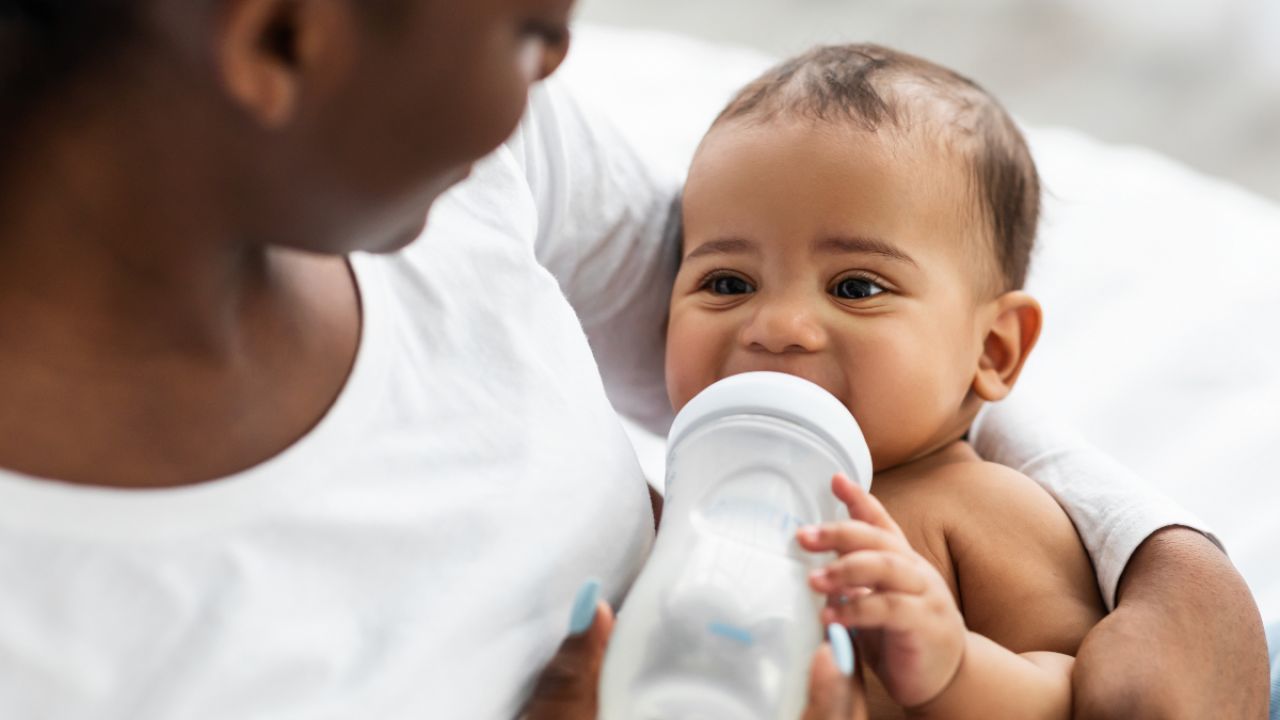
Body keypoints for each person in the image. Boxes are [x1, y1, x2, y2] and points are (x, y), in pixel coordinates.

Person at [0, 1, 1267, 718]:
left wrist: (1163, 559)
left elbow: (856, 366)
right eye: (523, 34)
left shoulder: (478, 176)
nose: (556, 63)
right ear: (282, 40)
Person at [664, 42, 1101, 717]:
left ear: (992, 349)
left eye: (856, 287)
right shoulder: (695, 501)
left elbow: (1080, 696)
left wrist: (951, 665)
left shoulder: (984, 506)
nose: (778, 326)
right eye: (728, 283)